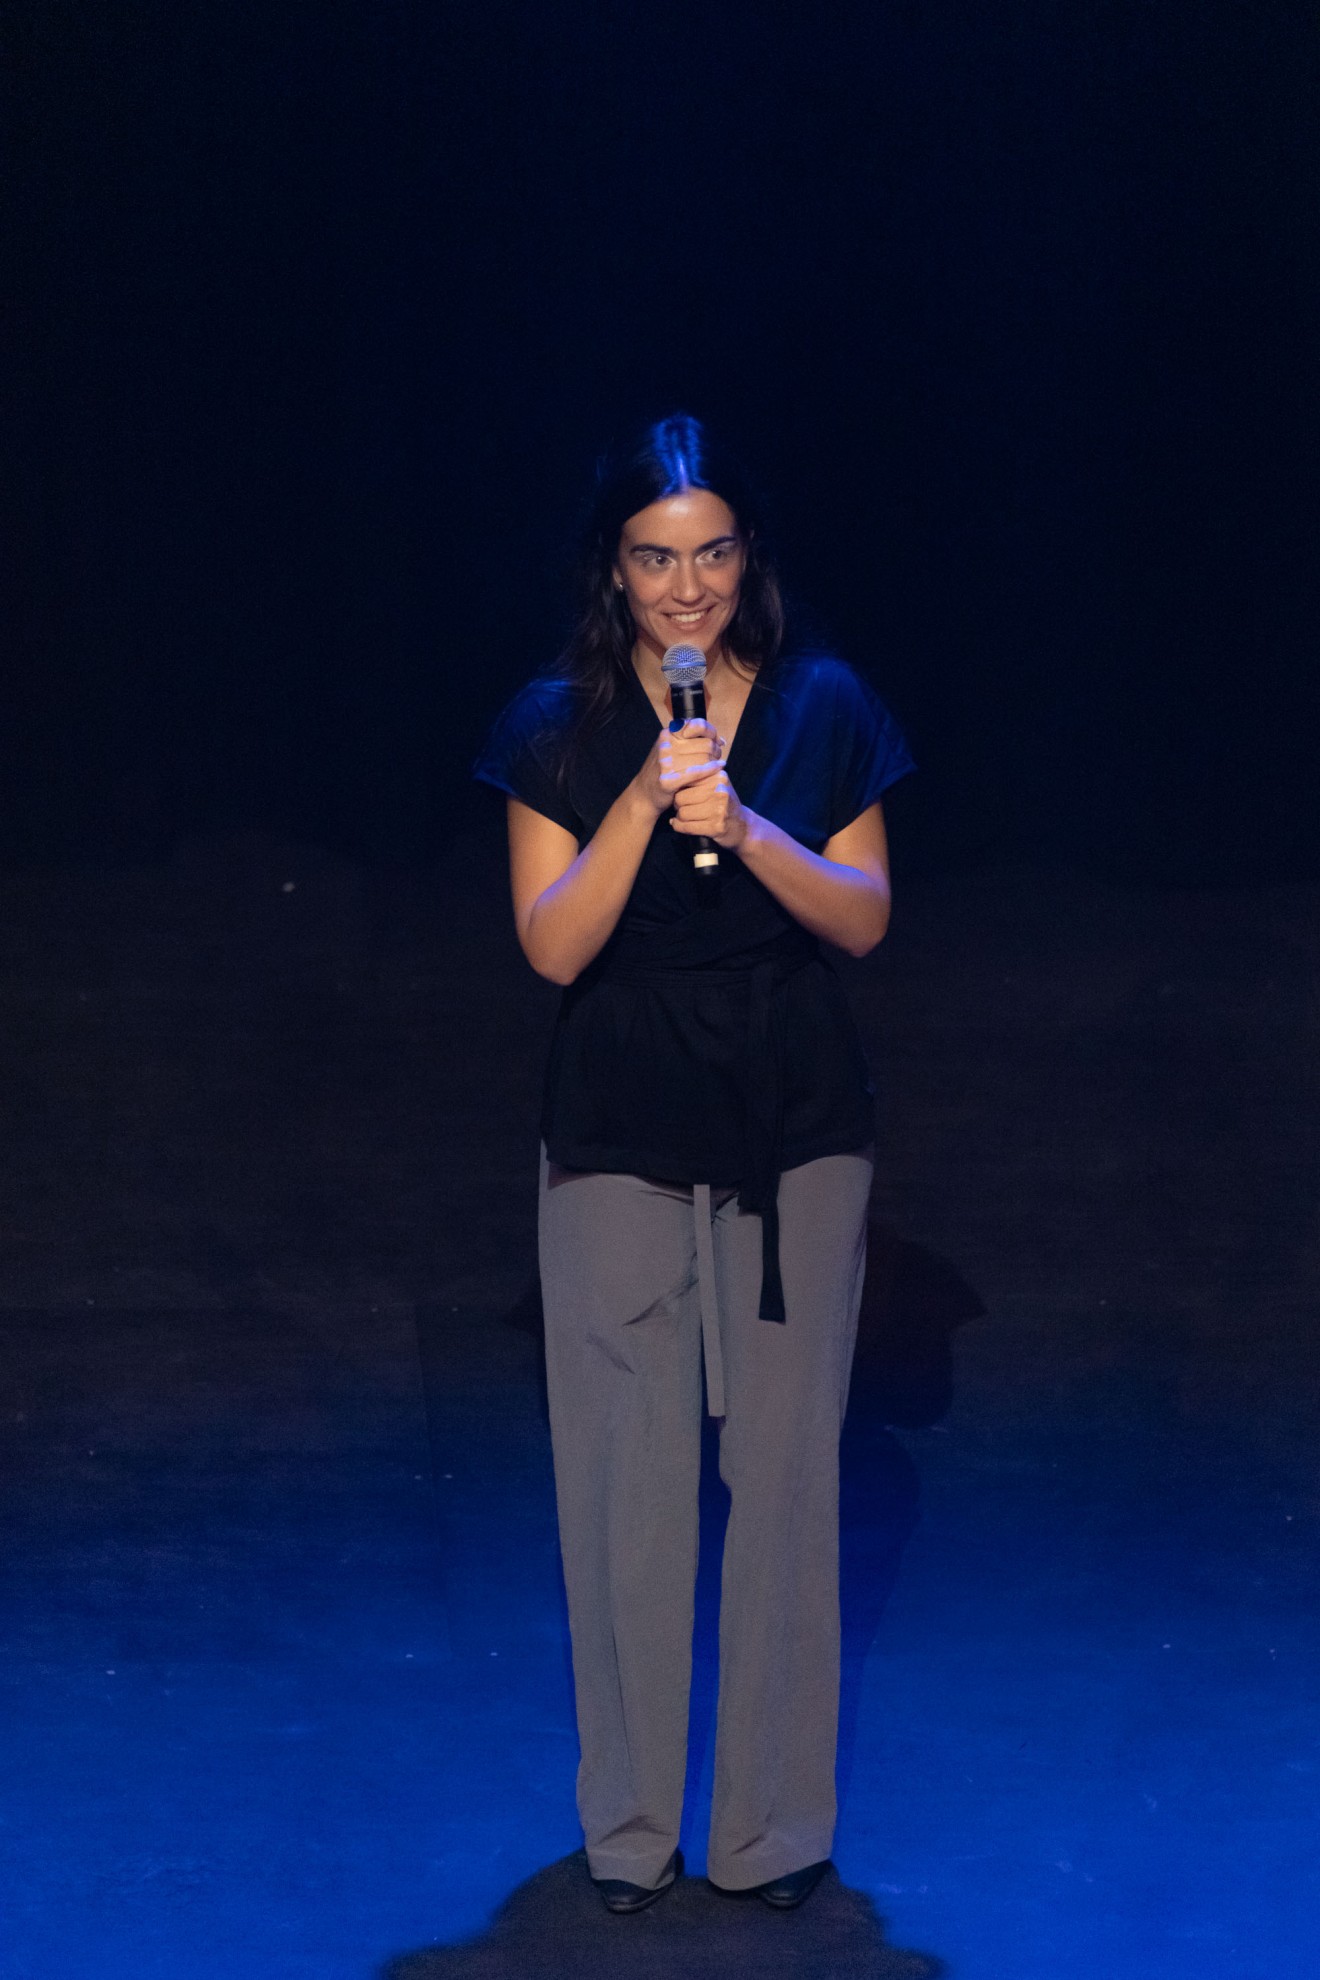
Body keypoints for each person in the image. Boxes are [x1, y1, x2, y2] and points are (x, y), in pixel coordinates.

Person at [473, 413, 913, 1914]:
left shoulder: (825, 703)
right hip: (620, 1120)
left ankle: (771, 1833)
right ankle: (630, 1831)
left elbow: (864, 916)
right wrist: (645, 801)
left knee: (783, 1475)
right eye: (655, 558)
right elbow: (552, 947)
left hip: (796, 1122)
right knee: (625, 1482)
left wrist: (753, 825)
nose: (687, 587)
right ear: (614, 567)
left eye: (712, 554)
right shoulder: (554, 724)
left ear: (747, 557)